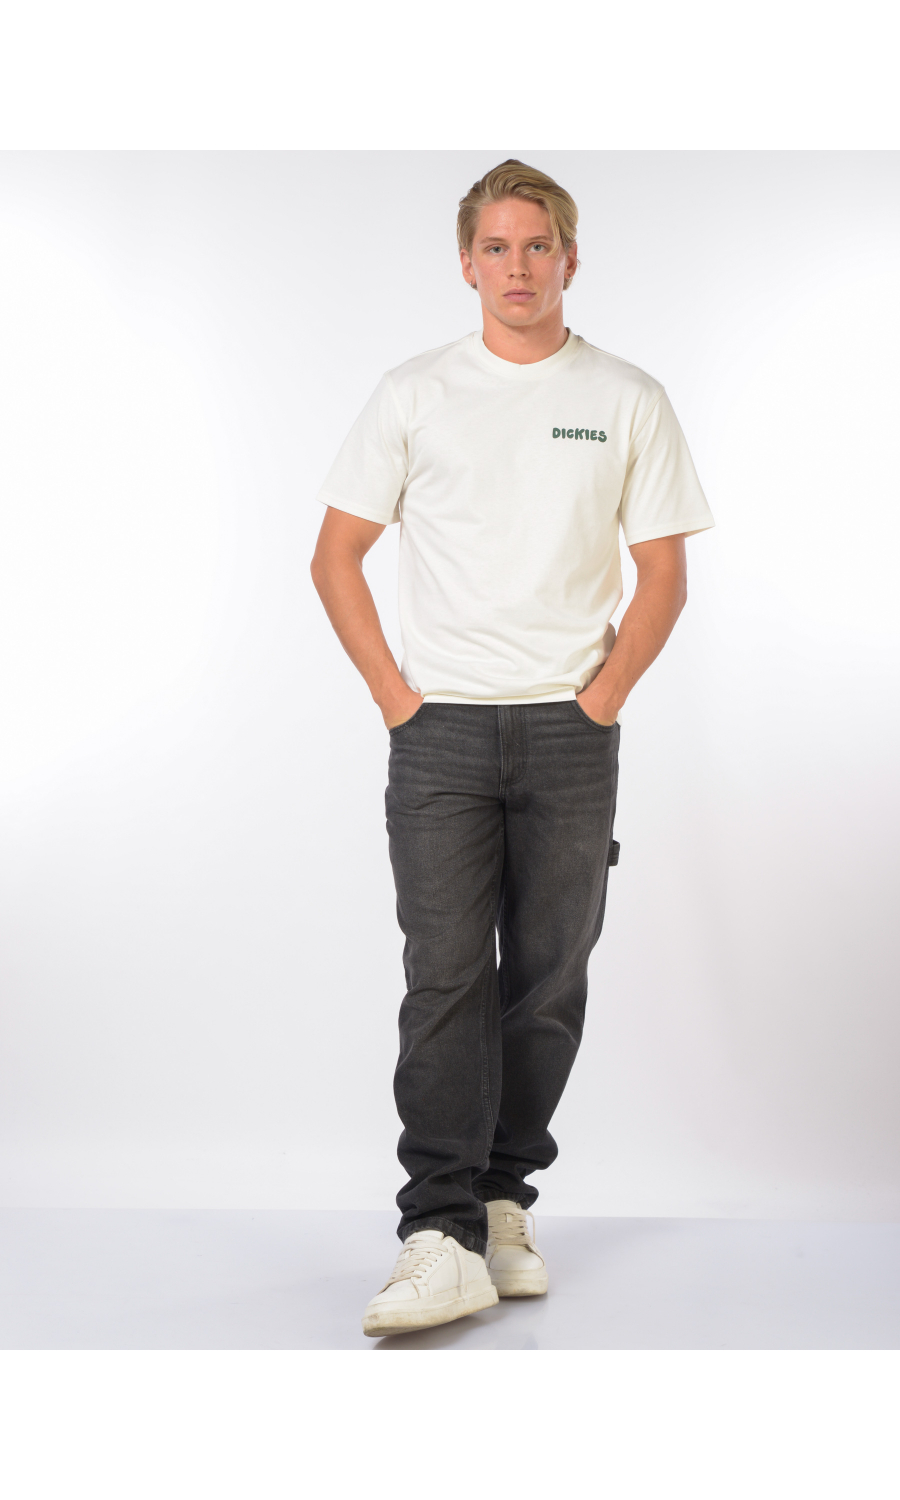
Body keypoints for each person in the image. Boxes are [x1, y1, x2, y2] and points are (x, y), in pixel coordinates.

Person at [310, 159, 714, 1337]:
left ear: (570, 258)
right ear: (467, 264)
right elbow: (336, 555)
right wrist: (398, 700)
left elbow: (663, 573)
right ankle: (436, 1232)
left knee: (546, 986)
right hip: (438, 731)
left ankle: (499, 1202)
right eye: (497, 247)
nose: (518, 267)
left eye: (538, 246)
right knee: (445, 978)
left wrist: (600, 701)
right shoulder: (414, 392)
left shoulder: (627, 396)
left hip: (567, 733)